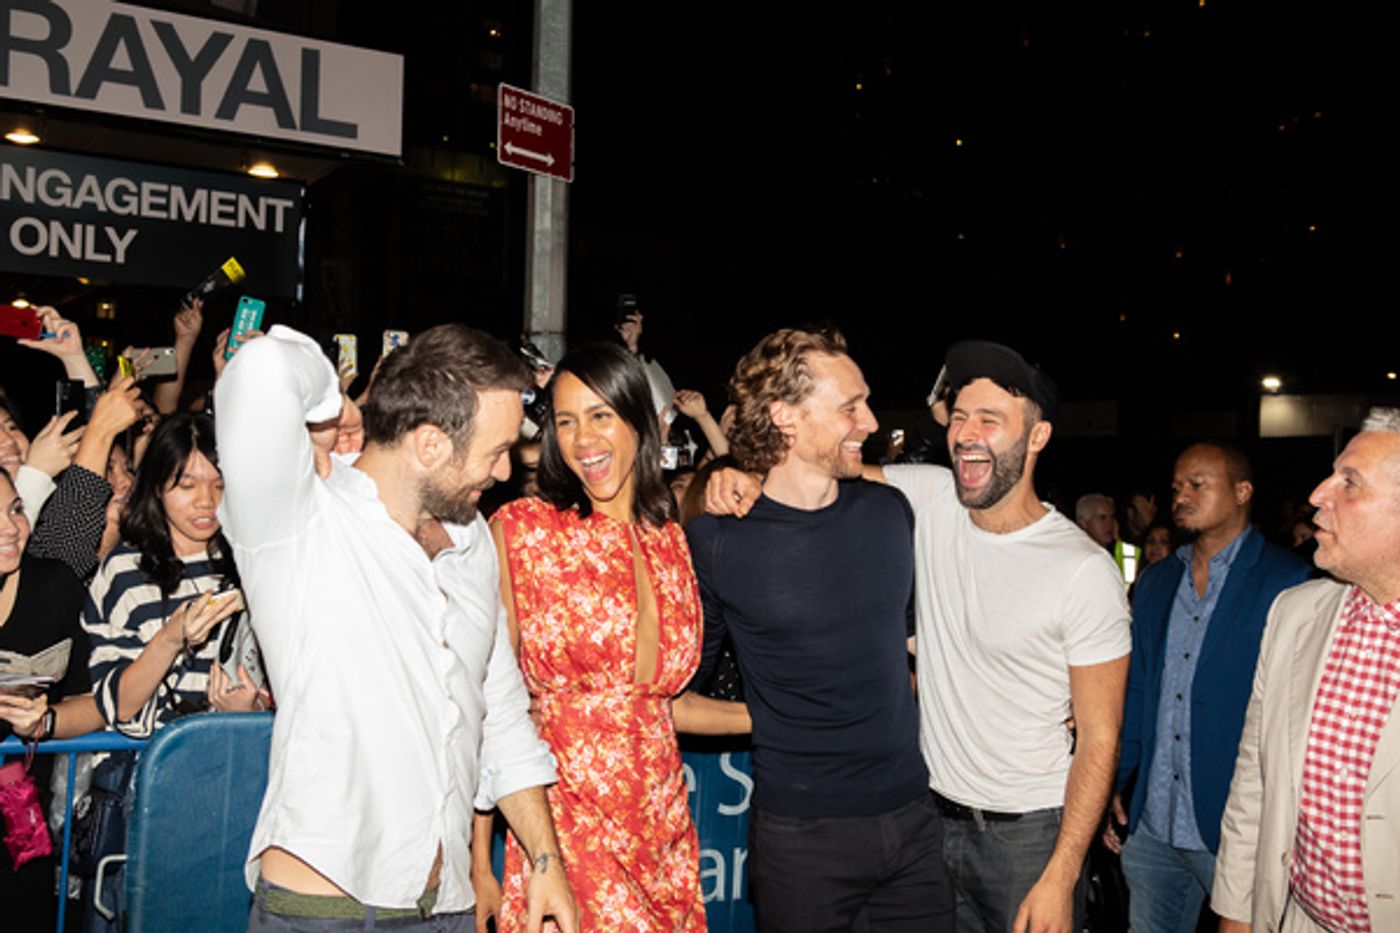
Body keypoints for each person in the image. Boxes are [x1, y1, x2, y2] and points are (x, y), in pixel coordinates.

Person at [706, 338, 1130, 932]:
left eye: (990, 419)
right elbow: (810, 473)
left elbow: (1101, 738)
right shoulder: (926, 498)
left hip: (1028, 834)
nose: (967, 432)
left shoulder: (1083, 568)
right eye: (959, 417)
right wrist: (731, 472)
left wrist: (1063, 874)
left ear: (1037, 437)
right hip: (928, 820)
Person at [214, 324, 577, 932]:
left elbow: (501, 710)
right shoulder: (301, 524)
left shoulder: (471, 542)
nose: (506, 470)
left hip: (448, 908)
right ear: (431, 444)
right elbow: (261, 365)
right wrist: (332, 407)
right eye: (495, 450)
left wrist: (545, 860)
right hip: (324, 913)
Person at [691, 327, 952, 932]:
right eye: (849, 407)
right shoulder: (717, 542)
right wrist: (777, 717)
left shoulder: (889, 513)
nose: (868, 421)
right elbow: (674, 696)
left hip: (914, 820)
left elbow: (916, 644)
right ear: (785, 416)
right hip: (802, 840)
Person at [478, 343, 745, 932]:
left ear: (639, 421)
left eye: (601, 416)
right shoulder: (523, 530)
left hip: (661, 830)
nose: (582, 440)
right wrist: (481, 865)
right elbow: (488, 704)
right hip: (565, 829)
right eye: (566, 421)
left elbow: (659, 707)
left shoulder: (669, 540)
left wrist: (774, 717)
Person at [1106, 443, 1311, 933]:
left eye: (1198, 484)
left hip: (1237, 830)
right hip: (1154, 822)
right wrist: (1120, 778)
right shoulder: (1157, 581)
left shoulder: (1290, 581)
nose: (1181, 495)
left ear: (1242, 492)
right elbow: (1139, 690)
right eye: (1177, 487)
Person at [1213, 408, 1400, 932]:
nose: (1319, 494)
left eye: (1350, 483)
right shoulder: (1295, 615)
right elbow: (1254, 783)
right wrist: (1236, 914)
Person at [83, 412, 264, 739]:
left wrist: (246, 714)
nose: (206, 501)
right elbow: (119, 706)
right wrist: (172, 638)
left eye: (220, 485)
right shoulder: (124, 572)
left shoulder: (253, 565)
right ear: (156, 487)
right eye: (187, 485)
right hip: (150, 767)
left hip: (235, 759)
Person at [0, 466, 107, 927]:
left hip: (22, 827)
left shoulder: (53, 586)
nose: (10, 528)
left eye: (15, 510)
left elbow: (98, 704)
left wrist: (44, 722)